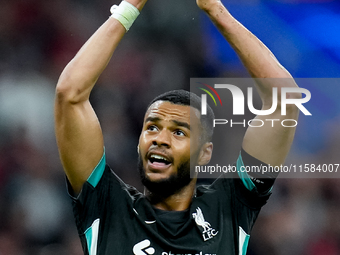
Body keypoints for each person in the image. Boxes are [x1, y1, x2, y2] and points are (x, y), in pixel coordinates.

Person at [54, 0, 300, 254]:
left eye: (179, 132)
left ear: (205, 153)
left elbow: (285, 99)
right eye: (151, 128)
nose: (160, 138)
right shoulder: (106, 206)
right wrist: (130, 6)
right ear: (139, 143)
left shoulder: (230, 206)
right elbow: (69, 93)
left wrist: (215, 10)